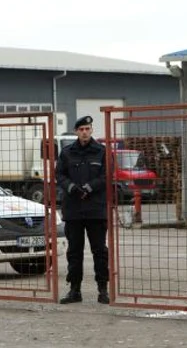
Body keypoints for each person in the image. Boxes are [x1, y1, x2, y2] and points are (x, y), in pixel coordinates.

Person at [56, 115, 109, 304]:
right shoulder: (67, 152)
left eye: (87, 129)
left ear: (91, 130)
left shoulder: (101, 151)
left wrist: (90, 187)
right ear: (76, 131)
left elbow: (107, 175)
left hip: (95, 209)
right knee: (74, 252)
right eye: (81, 129)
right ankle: (74, 291)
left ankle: (103, 290)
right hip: (74, 210)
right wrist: (71, 187)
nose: (84, 132)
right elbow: (59, 175)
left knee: (100, 251)